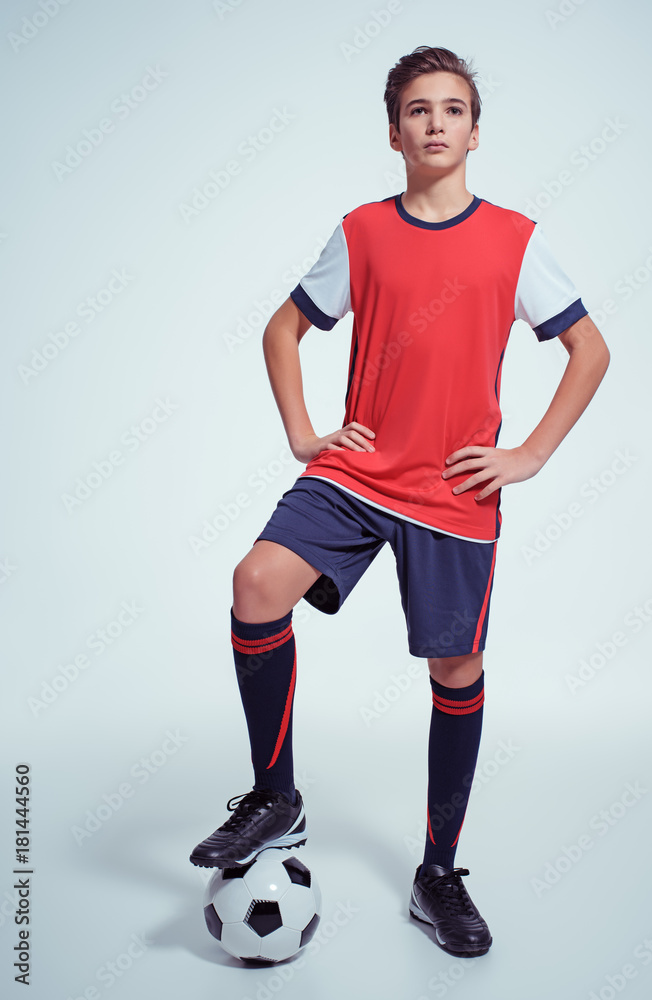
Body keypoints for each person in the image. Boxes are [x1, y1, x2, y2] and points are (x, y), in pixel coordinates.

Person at [190, 44, 610, 958]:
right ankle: (276, 796)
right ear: (393, 131)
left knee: (454, 671)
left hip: (453, 491)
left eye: (452, 109)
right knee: (257, 581)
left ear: (473, 129)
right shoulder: (362, 231)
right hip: (360, 474)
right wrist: (307, 435)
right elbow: (283, 328)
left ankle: (438, 873)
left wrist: (528, 453)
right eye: (418, 110)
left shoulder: (515, 239)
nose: (434, 123)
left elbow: (590, 351)